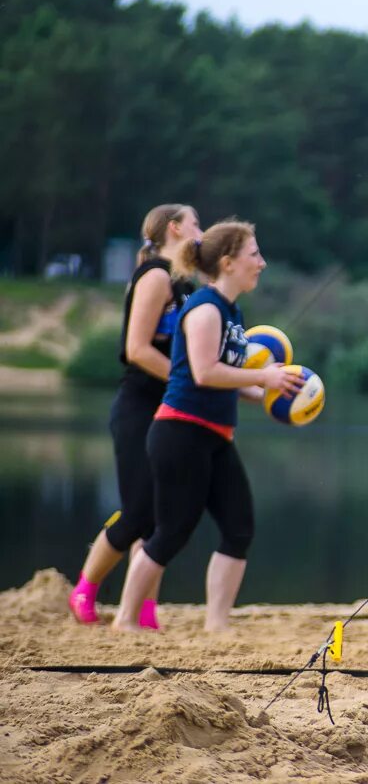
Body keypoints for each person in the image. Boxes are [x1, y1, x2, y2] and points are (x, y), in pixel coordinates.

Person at [112, 220, 303, 633]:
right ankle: (126, 618)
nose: (262, 263)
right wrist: (262, 378)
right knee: (172, 531)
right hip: (180, 433)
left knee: (239, 526)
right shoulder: (204, 308)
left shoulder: (232, 312)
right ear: (229, 262)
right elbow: (203, 372)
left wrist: (277, 395)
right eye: (254, 255)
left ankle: (217, 624)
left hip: (213, 435)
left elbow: (229, 382)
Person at [69, 204, 202, 628]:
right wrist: (187, 379)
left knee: (163, 514)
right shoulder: (157, 275)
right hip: (138, 407)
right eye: (196, 224)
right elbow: (135, 349)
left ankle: (144, 607)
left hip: (170, 408)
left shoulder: (184, 282)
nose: (201, 232)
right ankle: (84, 589)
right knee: (138, 510)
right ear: (174, 228)